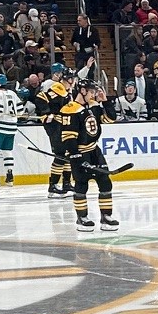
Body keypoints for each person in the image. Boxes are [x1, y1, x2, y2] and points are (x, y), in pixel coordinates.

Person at [61, 84, 118, 233]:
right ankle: (82, 218)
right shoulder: (70, 109)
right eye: (91, 91)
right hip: (79, 152)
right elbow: (68, 137)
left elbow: (111, 119)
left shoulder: (93, 106)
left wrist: (105, 101)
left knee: (105, 182)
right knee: (81, 184)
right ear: (83, 91)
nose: (94, 94)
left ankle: (106, 217)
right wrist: (76, 156)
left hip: (94, 150)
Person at [0, 72, 23, 186]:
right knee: (7, 151)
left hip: (0, 126)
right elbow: (20, 110)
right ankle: (9, 177)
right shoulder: (12, 93)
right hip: (12, 127)